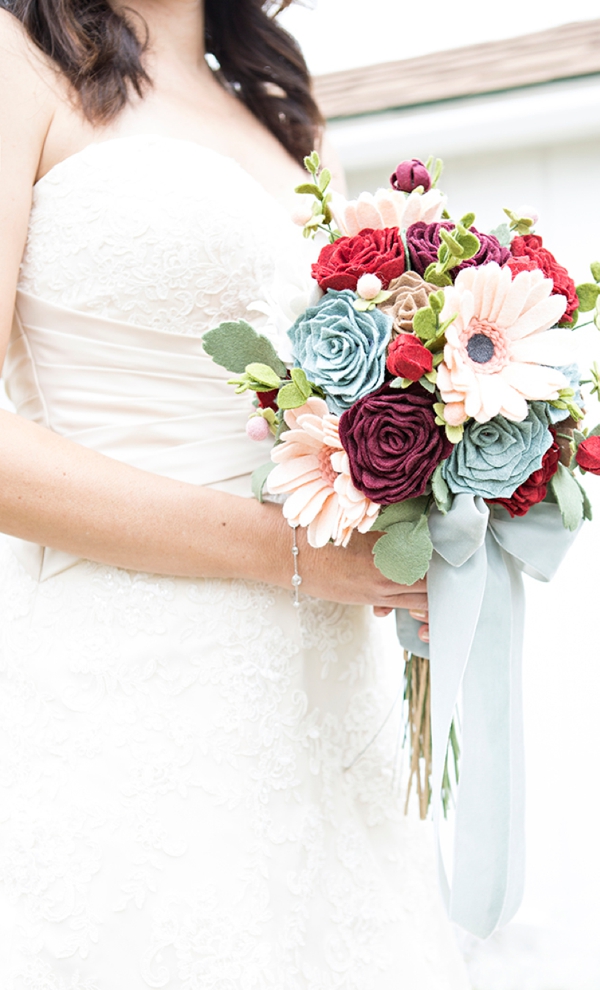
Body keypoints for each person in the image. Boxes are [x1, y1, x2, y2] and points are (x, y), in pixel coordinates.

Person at [0, 0, 469, 984]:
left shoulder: (280, 104)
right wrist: (293, 555)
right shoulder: (18, 61)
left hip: (324, 715)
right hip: (133, 695)